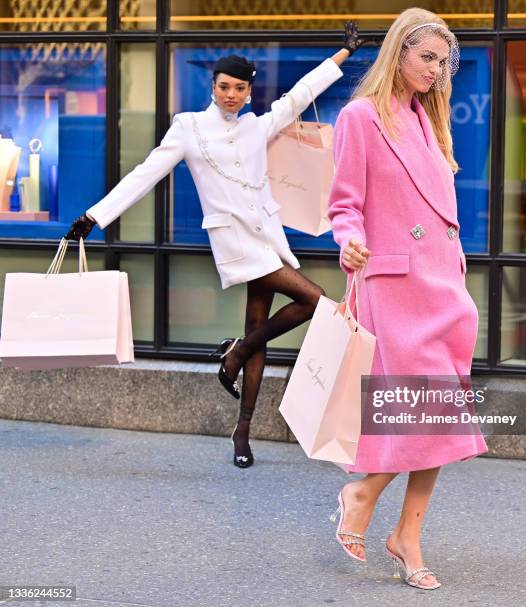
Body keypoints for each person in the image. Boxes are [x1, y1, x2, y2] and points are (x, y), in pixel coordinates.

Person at [65, 22, 364, 469]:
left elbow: (299, 95)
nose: (230, 94)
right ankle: (236, 353)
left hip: (267, 235)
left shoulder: (256, 127)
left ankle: (241, 431)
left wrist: (342, 54)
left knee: (259, 329)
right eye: (224, 86)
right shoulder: (187, 128)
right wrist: (95, 215)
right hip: (234, 240)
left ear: (248, 91)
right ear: (213, 86)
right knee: (314, 299)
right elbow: (146, 174)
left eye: (239, 88)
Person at [327, 8, 488, 590]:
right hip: (394, 285)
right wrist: (351, 241)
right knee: (424, 411)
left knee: (438, 415)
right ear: (398, 52)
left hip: (444, 284)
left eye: (443, 62)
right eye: (426, 57)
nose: (436, 70)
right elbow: (345, 202)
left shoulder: (429, 121)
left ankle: (401, 530)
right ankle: (366, 494)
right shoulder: (360, 117)